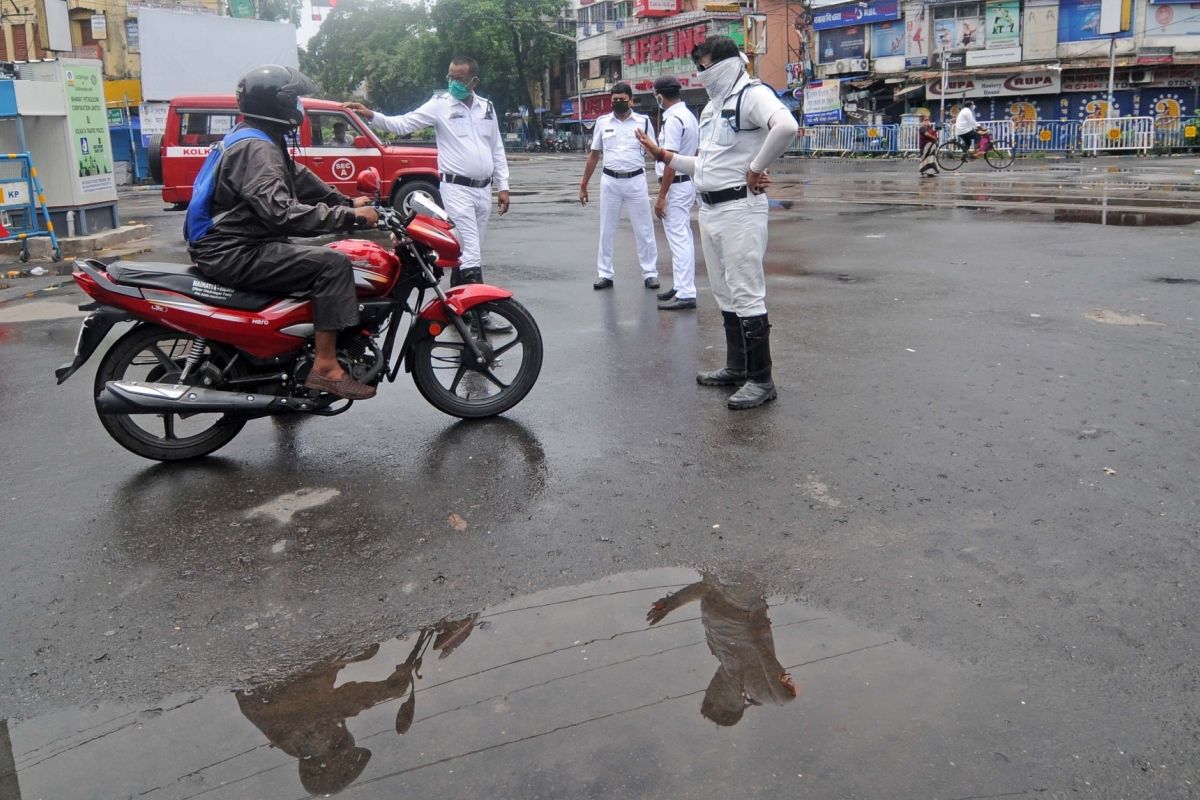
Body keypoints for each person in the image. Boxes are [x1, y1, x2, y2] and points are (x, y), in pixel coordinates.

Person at [188, 64, 379, 401]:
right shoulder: (259, 149)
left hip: (232, 243)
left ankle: (283, 365)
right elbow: (281, 212)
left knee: (303, 257)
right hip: (232, 250)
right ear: (274, 104)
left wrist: (347, 201)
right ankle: (325, 367)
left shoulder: (255, 137)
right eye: (294, 100)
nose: (299, 108)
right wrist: (351, 218)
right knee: (332, 264)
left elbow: (300, 179)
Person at [635, 35, 800, 410]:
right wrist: (662, 154)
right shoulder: (713, 106)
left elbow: (786, 127)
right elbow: (704, 166)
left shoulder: (751, 95)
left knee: (746, 291)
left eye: (706, 65)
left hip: (740, 210)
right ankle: (737, 367)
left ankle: (761, 379)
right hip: (709, 209)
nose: (702, 74)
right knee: (725, 293)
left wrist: (757, 167)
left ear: (727, 63)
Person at [346, 56, 512, 332]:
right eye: (450, 77)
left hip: (483, 189)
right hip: (456, 187)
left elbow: (497, 148)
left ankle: (458, 309)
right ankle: (480, 316)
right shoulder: (440, 106)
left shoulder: (487, 108)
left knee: (466, 251)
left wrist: (503, 186)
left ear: (474, 82)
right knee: (470, 249)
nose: (452, 83)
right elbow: (402, 124)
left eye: (458, 79)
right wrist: (370, 115)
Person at [647, 571, 798, 726]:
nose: (713, 687)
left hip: (719, 582)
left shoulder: (720, 654)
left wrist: (672, 602)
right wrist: (757, 642)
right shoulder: (753, 686)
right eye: (716, 697)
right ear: (737, 703)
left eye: (709, 693)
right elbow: (785, 697)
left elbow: (707, 589)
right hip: (742, 597)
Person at [579, 83, 660, 291]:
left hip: (636, 181)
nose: (617, 102)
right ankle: (605, 273)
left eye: (621, 99)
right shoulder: (602, 122)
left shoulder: (643, 122)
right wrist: (584, 184)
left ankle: (650, 273)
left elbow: (654, 152)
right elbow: (595, 154)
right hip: (610, 182)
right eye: (614, 99)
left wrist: (652, 153)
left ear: (630, 100)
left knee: (644, 229)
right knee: (606, 229)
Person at [651, 75, 700, 311]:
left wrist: (662, 196)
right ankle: (681, 287)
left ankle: (686, 292)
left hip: (676, 184)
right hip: (683, 183)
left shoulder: (673, 120)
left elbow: (670, 161)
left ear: (660, 96)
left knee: (679, 239)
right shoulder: (688, 115)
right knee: (682, 238)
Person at [918, 113, 939, 177]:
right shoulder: (922, 128)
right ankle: (923, 171)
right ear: (922, 121)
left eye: (928, 120)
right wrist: (934, 137)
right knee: (925, 158)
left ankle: (931, 172)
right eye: (925, 120)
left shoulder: (930, 128)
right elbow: (926, 134)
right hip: (925, 146)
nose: (927, 121)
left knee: (931, 159)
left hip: (931, 146)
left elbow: (934, 134)